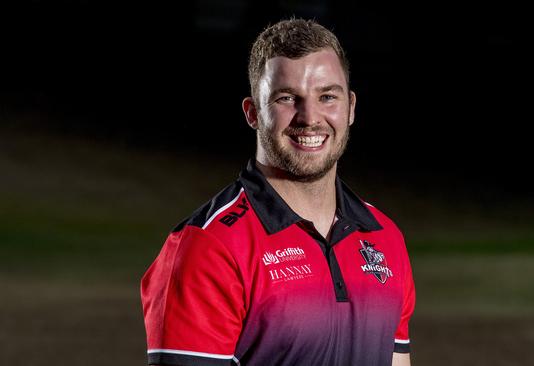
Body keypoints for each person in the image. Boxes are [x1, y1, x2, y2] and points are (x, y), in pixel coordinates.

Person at [141, 18, 415, 366]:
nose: (310, 117)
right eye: (288, 98)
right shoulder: (207, 247)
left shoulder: (384, 237)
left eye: (327, 96)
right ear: (253, 113)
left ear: (351, 108)